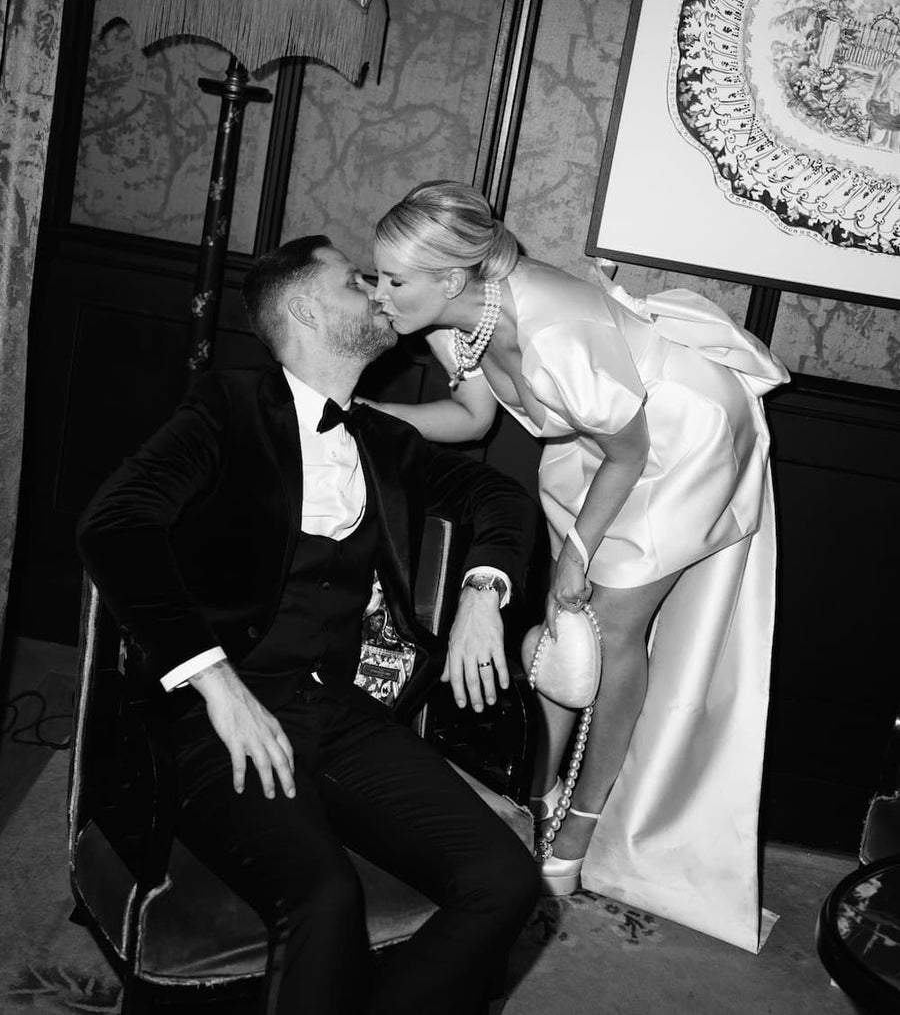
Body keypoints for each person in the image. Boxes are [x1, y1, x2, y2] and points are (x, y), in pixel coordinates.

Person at [76, 235, 540, 1015]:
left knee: (504, 880)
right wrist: (217, 684)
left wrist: (482, 594)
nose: (381, 292)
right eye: (358, 282)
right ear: (305, 309)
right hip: (214, 719)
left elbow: (502, 500)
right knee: (323, 897)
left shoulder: (386, 441)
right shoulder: (225, 407)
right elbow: (114, 526)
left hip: (338, 711)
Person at [369, 181, 790, 953]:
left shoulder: (554, 330)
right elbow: (470, 419)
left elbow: (634, 450)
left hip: (676, 437)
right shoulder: (450, 321)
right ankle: (534, 793)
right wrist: (362, 415)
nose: (379, 295)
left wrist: (578, 554)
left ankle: (576, 834)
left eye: (394, 281)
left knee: (607, 627)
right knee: (567, 633)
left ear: (452, 278)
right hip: (593, 442)